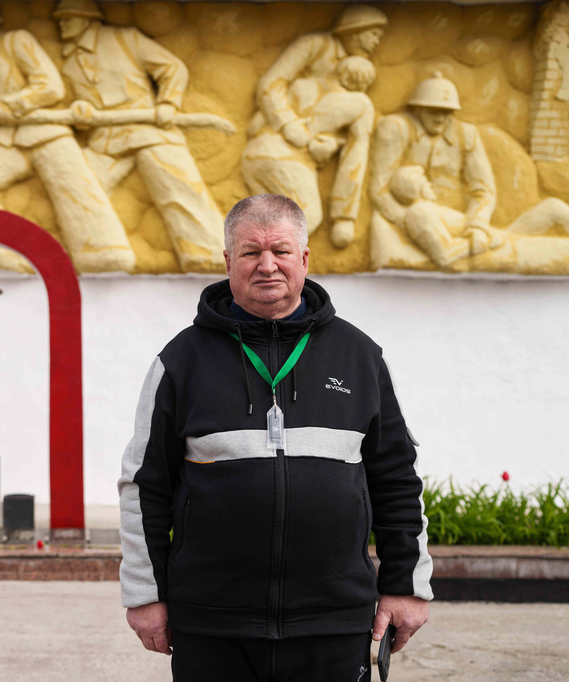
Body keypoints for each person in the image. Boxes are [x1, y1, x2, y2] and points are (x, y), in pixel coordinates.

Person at [118, 193, 432, 681]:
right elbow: (145, 485)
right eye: (250, 252)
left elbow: (395, 477)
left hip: (332, 620)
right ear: (228, 262)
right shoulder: (181, 360)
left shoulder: (360, 356)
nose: (268, 265)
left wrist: (406, 586)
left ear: (304, 258)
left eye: (281, 251)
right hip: (212, 622)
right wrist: (145, 594)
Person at [0, 0, 134, 273]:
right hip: (5, 139)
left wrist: (11, 106)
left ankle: (104, 254)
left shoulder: (16, 40)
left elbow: (49, 85)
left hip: (44, 131)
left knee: (76, 191)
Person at [53, 0, 226, 273]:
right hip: (106, 140)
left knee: (179, 188)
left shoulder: (125, 39)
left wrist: (168, 103)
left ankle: (210, 252)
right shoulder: (70, 61)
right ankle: (99, 252)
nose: (61, 23)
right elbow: (75, 102)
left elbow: (172, 68)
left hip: (148, 130)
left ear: (89, 19)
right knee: (79, 183)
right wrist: (81, 109)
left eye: (68, 17)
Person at [370, 73, 569, 269]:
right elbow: (380, 189)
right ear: (418, 109)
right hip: (435, 225)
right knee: (516, 236)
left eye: (447, 112)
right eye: (434, 111)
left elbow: (484, 191)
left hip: (465, 224)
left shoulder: (466, 134)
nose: (441, 119)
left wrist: (477, 227)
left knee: (552, 208)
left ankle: (493, 236)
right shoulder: (397, 129)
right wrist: (410, 224)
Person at [242, 5, 386, 248]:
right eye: (373, 34)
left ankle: (343, 215)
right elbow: (270, 84)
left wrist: (332, 144)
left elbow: (350, 143)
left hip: (300, 158)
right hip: (277, 147)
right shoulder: (315, 45)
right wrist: (289, 125)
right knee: (305, 218)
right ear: (355, 30)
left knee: (284, 220)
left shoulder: (353, 93)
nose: (376, 42)